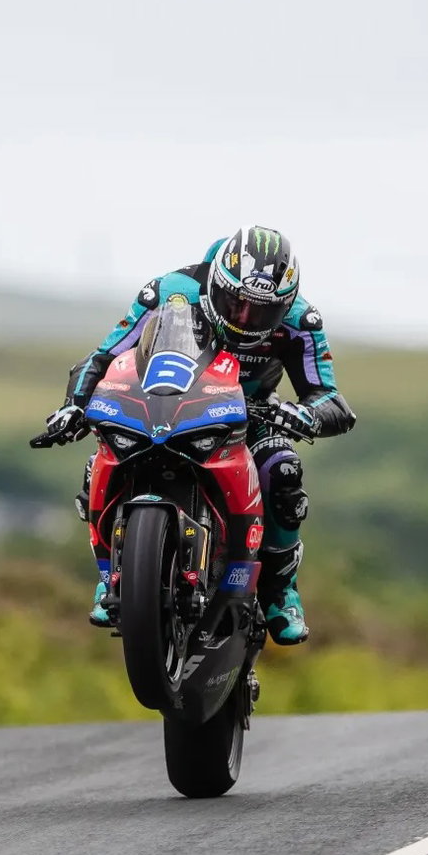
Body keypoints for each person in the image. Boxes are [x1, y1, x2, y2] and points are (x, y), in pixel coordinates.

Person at [43, 225, 356, 645]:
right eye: (235, 303)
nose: (244, 318)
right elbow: (102, 357)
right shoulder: (170, 291)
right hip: (165, 405)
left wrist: (304, 416)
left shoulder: (301, 321)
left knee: (283, 471)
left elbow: (331, 400)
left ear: (283, 306)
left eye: (260, 311)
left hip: (250, 418)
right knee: (102, 457)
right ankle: (110, 577)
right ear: (216, 282)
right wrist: (74, 406)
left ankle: (281, 592)